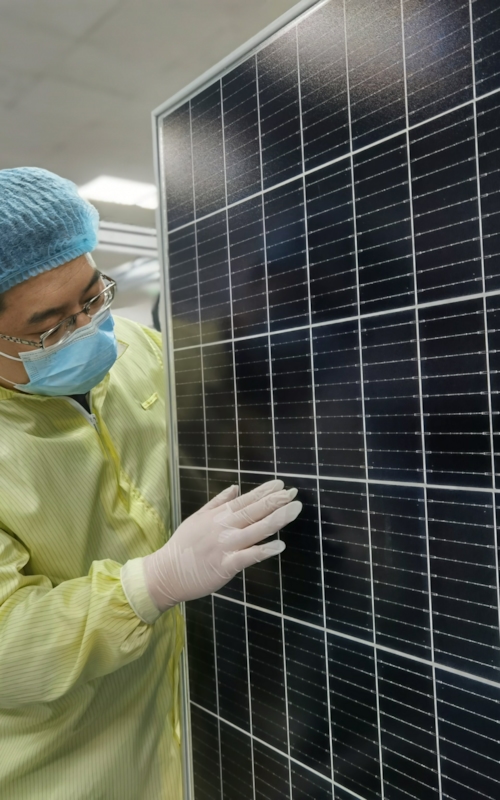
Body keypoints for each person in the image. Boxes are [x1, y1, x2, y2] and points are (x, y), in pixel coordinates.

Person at [0, 167, 302, 799]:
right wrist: (151, 583)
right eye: (47, 327)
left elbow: (231, 354)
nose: (85, 329)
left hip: (195, 717)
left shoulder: (140, 351)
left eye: (93, 297)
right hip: (66, 762)